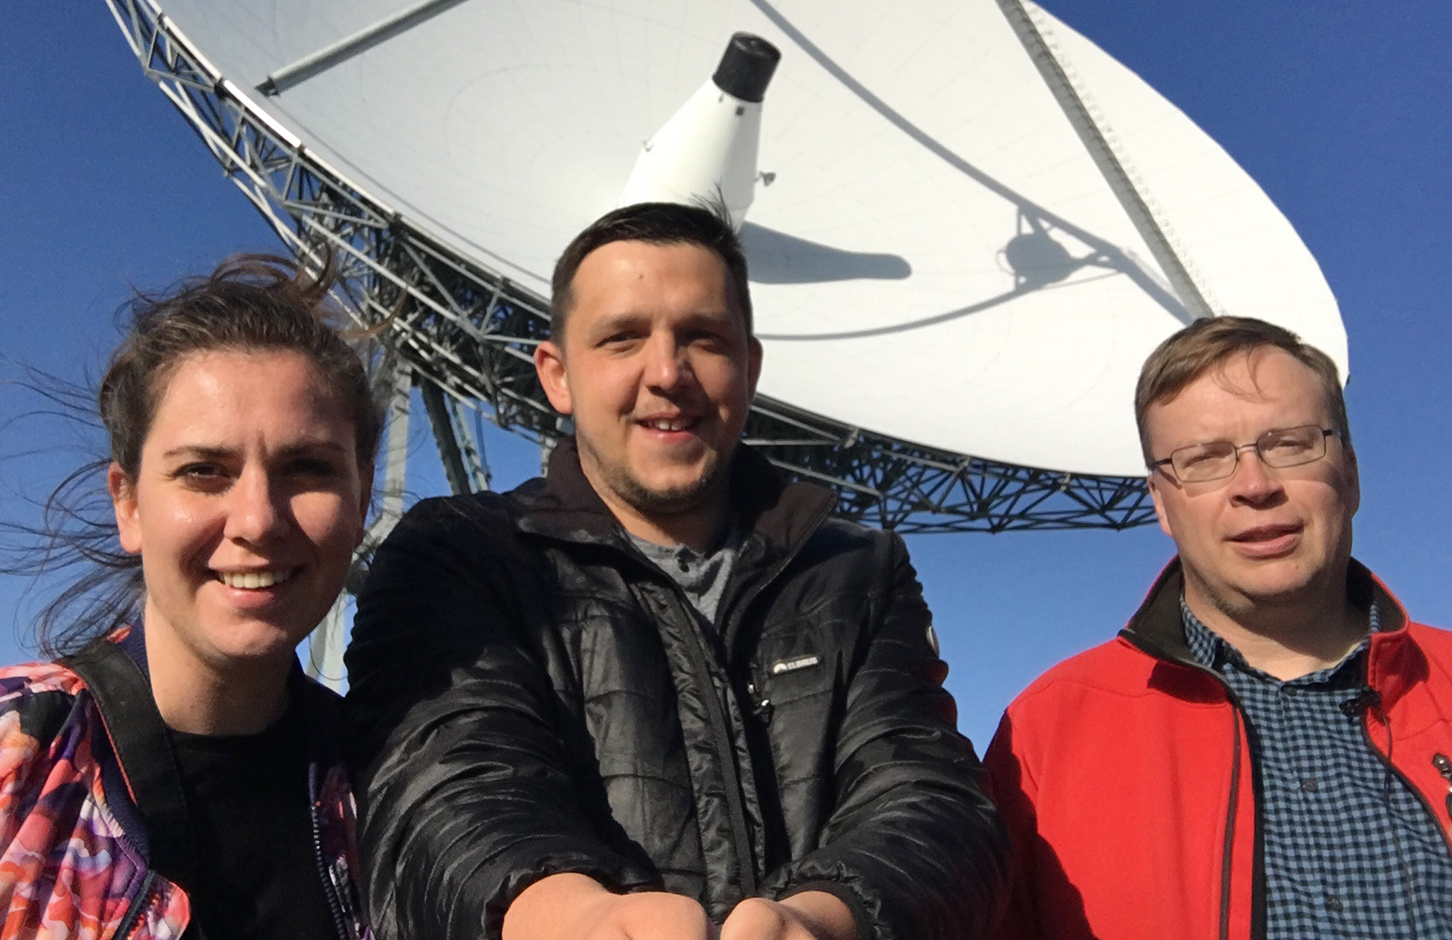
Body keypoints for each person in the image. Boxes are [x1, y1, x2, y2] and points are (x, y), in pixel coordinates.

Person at [346, 202, 1007, 940]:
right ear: (557, 376)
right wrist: (569, 917)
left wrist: (823, 921)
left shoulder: (856, 571)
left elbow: (929, 797)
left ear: (750, 367)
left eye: (703, 337)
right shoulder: (458, 554)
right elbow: (441, 785)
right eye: (622, 338)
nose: (667, 373)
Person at [0, 256, 380, 940]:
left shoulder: (398, 799)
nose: (257, 520)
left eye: (307, 468)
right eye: (203, 471)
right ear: (128, 503)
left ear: (361, 500)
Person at [984, 316, 1452, 939]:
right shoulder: (1043, 735)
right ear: (1160, 502)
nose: (1255, 486)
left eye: (1291, 444)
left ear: (1351, 473)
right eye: (1204, 459)